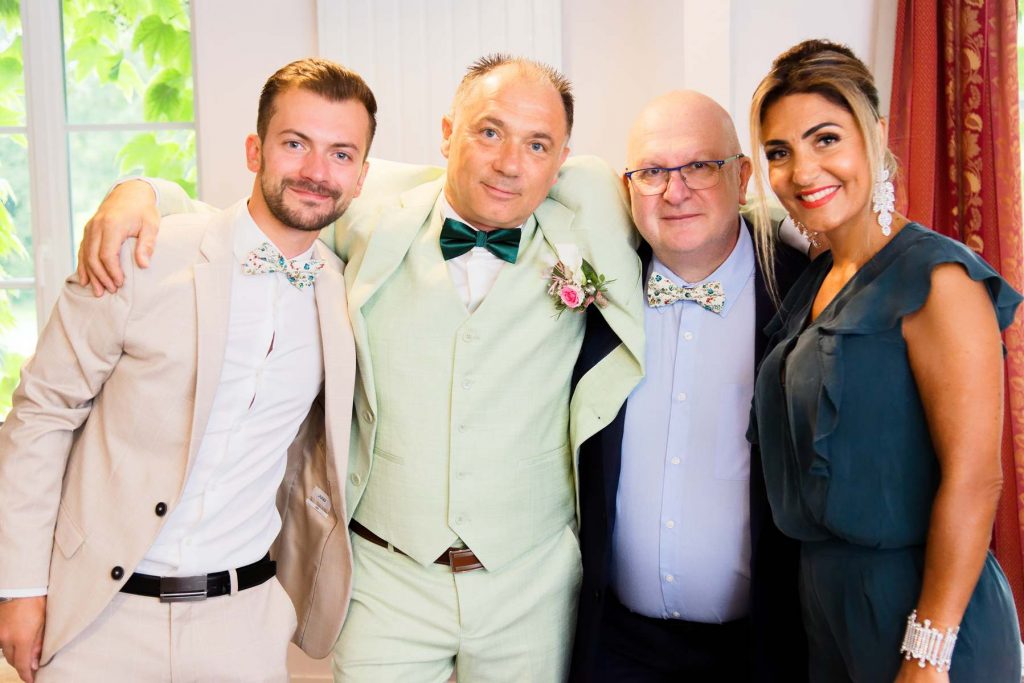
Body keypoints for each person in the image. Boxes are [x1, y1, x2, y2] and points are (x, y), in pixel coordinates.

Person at [74, 54, 643, 682]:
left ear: (562, 159)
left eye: (537, 144)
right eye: (489, 131)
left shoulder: (590, 215)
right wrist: (145, 191)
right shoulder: (372, 207)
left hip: (532, 580)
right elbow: (250, 221)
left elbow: (692, 208)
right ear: (448, 132)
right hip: (385, 576)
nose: (510, 163)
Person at [0, 57, 371, 682]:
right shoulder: (143, 254)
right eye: (295, 143)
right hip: (98, 616)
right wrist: (18, 586)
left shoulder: (345, 291)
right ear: (255, 150)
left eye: (341, 154)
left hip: (244, 624)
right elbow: (41, 415)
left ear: (362, 177)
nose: (316, 170)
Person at [748, 39, 1023, 681]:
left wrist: (926, 655)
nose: (802, 171)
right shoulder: (814, 280)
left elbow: (975, 479)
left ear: (874, 135)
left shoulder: (938, 278)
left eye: (825, 139)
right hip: (826, 616)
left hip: (924, 619)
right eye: (779, 153)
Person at [570, 90, 809, 682]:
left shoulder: (808, 290)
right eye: (652, 172)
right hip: (615, 646)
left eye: (700, 166)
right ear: (627, 188)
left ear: (742, 176)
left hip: (764, 650)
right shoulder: (594, 292)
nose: (675, 192)